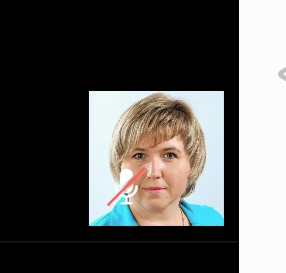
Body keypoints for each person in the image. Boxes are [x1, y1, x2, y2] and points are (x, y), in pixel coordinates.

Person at [90, 93, 222, 226]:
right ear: (119, 165)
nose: (154, 173)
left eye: (170, 155)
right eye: (139, 155)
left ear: (193, 163)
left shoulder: (213, 220)